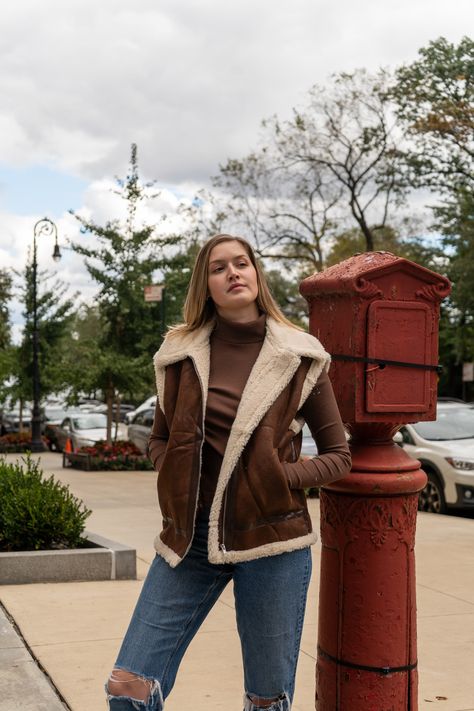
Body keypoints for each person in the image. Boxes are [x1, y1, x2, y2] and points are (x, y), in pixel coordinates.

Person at [106, 234, 351, 711]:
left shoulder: (301, 356)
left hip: (272, 543)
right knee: (127, 685)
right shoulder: (178, 352)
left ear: (257, 275)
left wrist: (281, 476)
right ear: (207, 285)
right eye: (220, 268)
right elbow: (159, 439)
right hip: (189, 540)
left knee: (266, 700)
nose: (233, 273)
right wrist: (173, 471)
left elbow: (339, 455)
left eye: (242, 263)